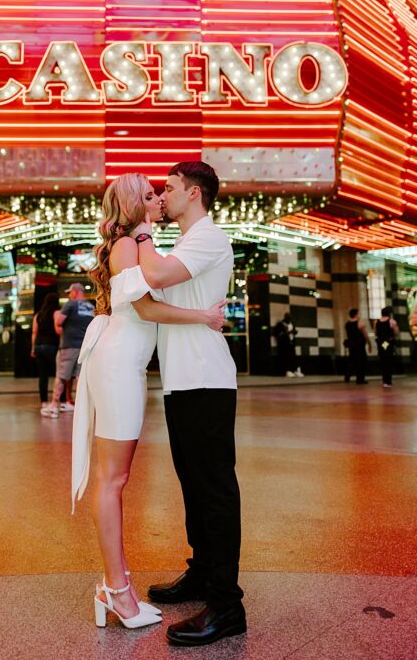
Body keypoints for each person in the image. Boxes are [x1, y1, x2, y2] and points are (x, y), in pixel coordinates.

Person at [71, 171, 226, 637]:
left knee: (115, 479)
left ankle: (115, 589)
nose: (160, 199)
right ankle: (117, 591)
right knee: (113, 480)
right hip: (119, 364)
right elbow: (145, 308)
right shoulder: (127, 245)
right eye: (151, 194)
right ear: (134, 203)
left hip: (125, 363)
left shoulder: (136, 244)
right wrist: (204, 315)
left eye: (163, 192)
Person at [124, 162, 245, 646]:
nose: (163, 195)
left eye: (170, 189)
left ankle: (226, 604)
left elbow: (156, 273)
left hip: (207, 379)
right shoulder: (188, 240)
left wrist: (141, 231)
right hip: (183, 381)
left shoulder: (209, 237)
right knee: (193, 484)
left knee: (214, 489)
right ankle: (201, 574)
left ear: (194, 194)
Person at [52, 284, 93, 411]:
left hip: (69, 346)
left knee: (62, 376)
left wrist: (57, 316)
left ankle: (54, 405)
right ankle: (81, 406)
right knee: (80, 377)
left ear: (75, 292)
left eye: (70, 293)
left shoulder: (71, 304)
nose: (69, 295)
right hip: (85, 347)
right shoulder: (91, 307)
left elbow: (59, 322)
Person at [31, 292, 61, 417]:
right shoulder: (56, 313)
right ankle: (61, 400)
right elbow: (57, 330)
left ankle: (44, 402)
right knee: (58, 375)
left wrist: (33, 348)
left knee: (43, 376)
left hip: (39, 346)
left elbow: (34, 332)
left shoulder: (38, 315)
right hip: (52, 346)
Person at [374, 306, 400, 388]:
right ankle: (388, 381)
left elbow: (375, 332)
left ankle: (384, 380)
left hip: (380, 343)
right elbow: (396, 332)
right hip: (388, 342)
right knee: (388, 361)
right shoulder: (392, 322)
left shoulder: (376, 322)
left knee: (383, 361)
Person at [344, 308, 370, 385]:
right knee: (361, 362)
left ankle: (347, 376)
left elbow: (347, 335)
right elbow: (365, 335)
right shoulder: (360, 324)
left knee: (351, 361)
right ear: (356, 314)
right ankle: (360, 379)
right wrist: (369, 344)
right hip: (359, 345)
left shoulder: (347, 324)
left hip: (351, 345)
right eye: (358, 313)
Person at [273, 312, 303, 377]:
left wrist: (294, 332)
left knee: (293, 357)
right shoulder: (280, 324)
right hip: (284, 345)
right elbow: (279, 334)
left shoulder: (292, 324)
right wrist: (289, 332)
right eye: (289, 318)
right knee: (286, 358)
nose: (290, 320)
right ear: (285, 317)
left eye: (291, 318)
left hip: (291, 343)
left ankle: (295, 370)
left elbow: (292, 332)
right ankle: (287, 371)